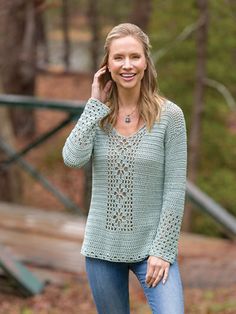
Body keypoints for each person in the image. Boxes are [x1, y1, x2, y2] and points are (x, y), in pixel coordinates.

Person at [62, 23, 187, 314]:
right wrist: (94, 104)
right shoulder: (98, 116)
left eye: (135, 56)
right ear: (107, 65)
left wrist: (163, 250)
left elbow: (174, 189)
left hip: (152, 249)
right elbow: (72, 159)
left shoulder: (170, 117)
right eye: (119, 57)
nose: (127, 65)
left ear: (146, 62)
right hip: (101, 248)